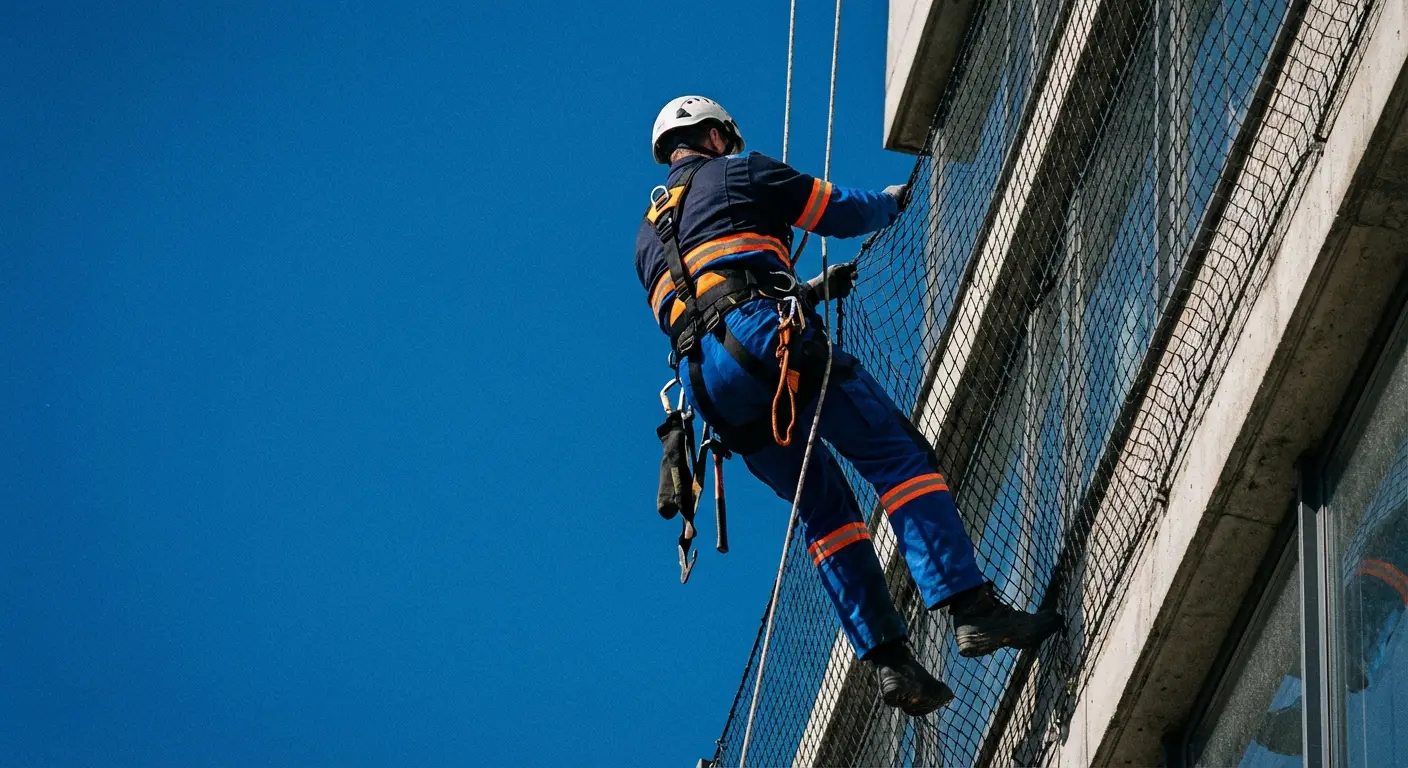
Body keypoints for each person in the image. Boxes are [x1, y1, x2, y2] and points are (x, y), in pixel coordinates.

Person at [635, 96, 1062, 715]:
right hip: (765, 340)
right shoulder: (740, 171)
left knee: (824, 512)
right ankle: (970, 607)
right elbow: (835, 211)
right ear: (714, 135)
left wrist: (805, 292)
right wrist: (891, 201)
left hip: (709, 389)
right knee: (897, 457)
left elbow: (710, 293)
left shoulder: (646, 238)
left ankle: (890, 663)